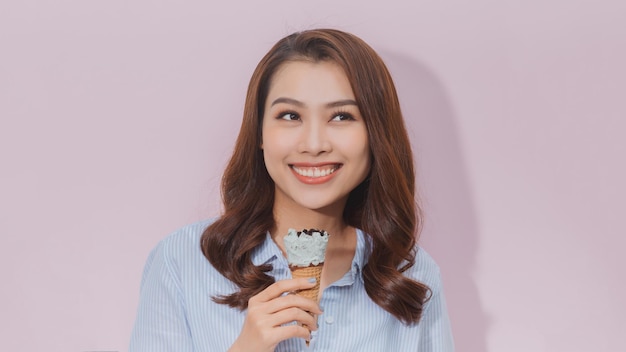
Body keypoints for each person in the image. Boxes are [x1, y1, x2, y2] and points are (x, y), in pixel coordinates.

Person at [129, 28, 454, 351]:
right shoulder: (182, 261)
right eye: (290, 115)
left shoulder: (411, 275)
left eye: (342, 116)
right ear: (259, 132)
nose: (313, 145)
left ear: (375, 135)